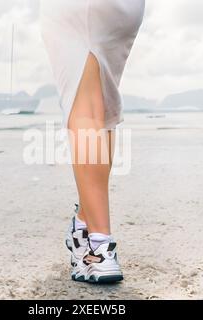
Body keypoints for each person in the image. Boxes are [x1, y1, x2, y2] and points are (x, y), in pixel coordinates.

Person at [40, 0, 145, 284]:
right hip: (125, 10)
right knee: (101, 111)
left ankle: (100, 248)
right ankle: (83, 226)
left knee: (84, 107)